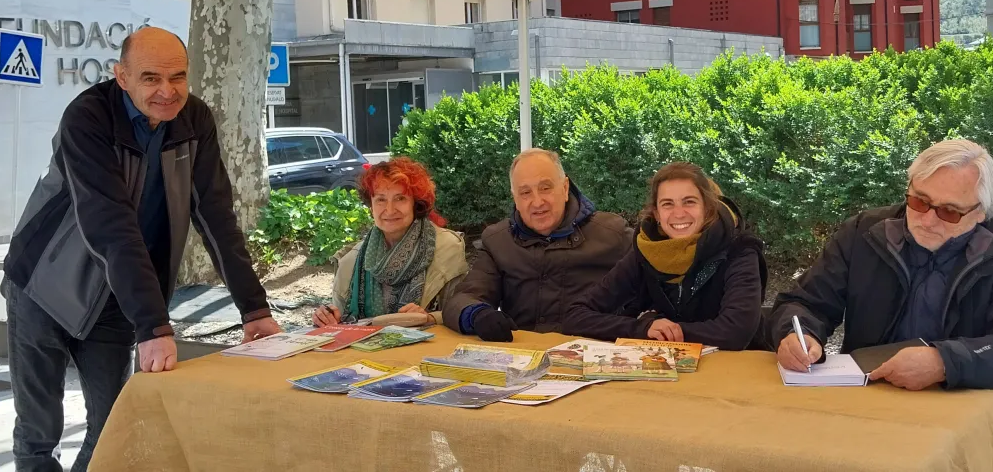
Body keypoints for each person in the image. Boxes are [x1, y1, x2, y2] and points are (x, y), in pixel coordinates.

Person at [2, 27, 280, 471]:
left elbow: (216, 217)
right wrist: (154, 325)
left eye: (178, 77)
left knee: (116, 427)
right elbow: (110, 223)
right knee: (38, 437)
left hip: (118, 298)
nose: (167, 92)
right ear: (122, 76)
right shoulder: (88, 117)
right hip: (42, 285)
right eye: (151, 78)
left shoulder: (195, 121)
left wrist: (254, 309)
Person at [772, 139, 993, 390]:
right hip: (869, 392)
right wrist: (797, 334)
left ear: (980, 213)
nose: (927, 220)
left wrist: (944, 363)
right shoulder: (865, 232)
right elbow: (805, 303)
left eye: (949, 211)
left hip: (961, 404)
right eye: (919, 201)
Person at [563, 162, 767, 349]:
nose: (679, 213)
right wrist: (643, 329)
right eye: (668, 204)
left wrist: (665, 332)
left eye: (689, 202)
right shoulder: (646, 250)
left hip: (735, 372)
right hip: (664, 372)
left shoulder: (740, 250)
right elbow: (576, 315)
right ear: (657, 214)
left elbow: (736, 332)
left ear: (707, 209)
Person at [443, 148, 633, 341]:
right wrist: (477, 314)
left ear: (565, 188)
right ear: (515, 198)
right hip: (523, 353)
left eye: (545, 188)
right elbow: (462, 298)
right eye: (525, 192)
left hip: (593, 355)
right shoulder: (498, 241)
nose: (537, 202)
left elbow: (655, 282)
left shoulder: (613, 234)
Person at [313, 156, 468, 327]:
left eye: (400, 198)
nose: (389, 209)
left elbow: (464, 311)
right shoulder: (351, 260)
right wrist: (329, 319)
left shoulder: (447, 248)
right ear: (371, 206)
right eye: (380, 199)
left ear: (415, 204)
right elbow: (343, 321)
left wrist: (430, 318)